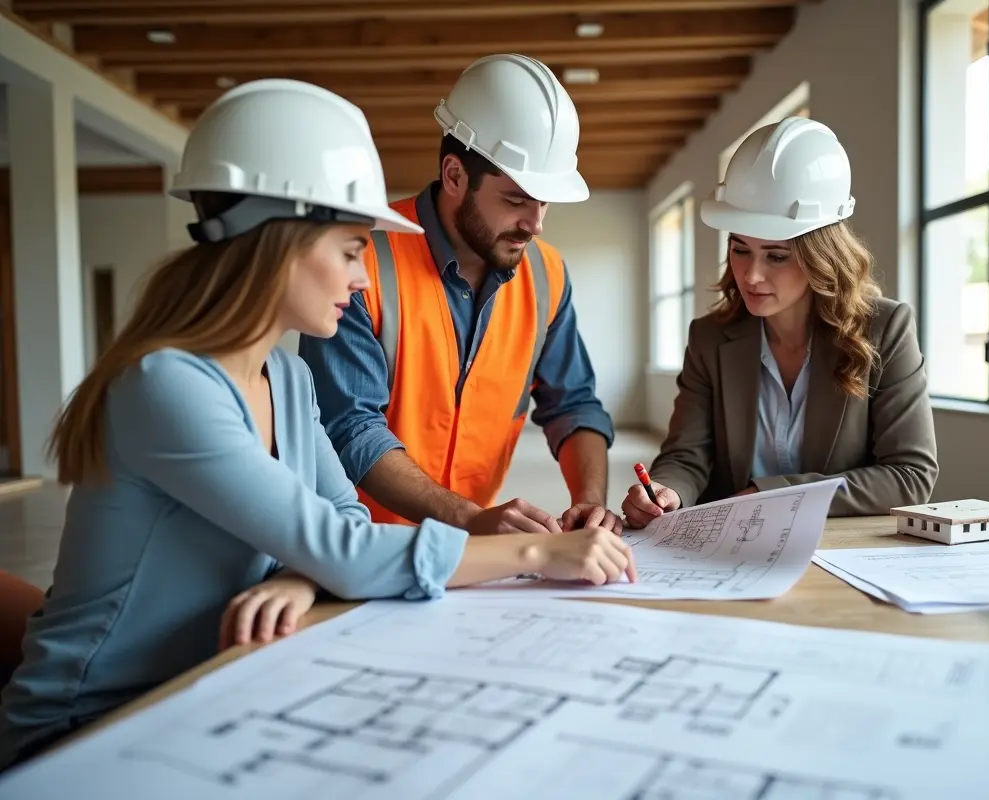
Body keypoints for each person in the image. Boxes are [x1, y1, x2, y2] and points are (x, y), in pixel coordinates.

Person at [0, 78, 634, 772]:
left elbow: (342, 529)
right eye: (352, 250)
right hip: (85, 730)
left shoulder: (289, 378)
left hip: (204, 692)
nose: (363, 279)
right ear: (280, 245)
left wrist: (307, 576)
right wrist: (538, 554)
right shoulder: (168, 387)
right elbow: (341, 545)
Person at [298, 54, 622, 538]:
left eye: (544, 202)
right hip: (358, 536)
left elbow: (574, 404)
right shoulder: (360, 259)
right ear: (454, 176)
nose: (535, 224)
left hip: (468, 536)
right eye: (516, 199)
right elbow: (351, 426)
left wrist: (590, 502)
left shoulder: (547, 273)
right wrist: (470, 519)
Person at [622, 117, 937, 527]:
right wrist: (667, 491)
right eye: (740, 249)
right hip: (732, 546)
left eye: (776, 256)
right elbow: (686, 456)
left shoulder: (886, 329)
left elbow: (910, 476)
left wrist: (772, 494)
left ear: (821, 256)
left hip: (839, 544)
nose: (751, 275)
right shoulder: (709, 338)